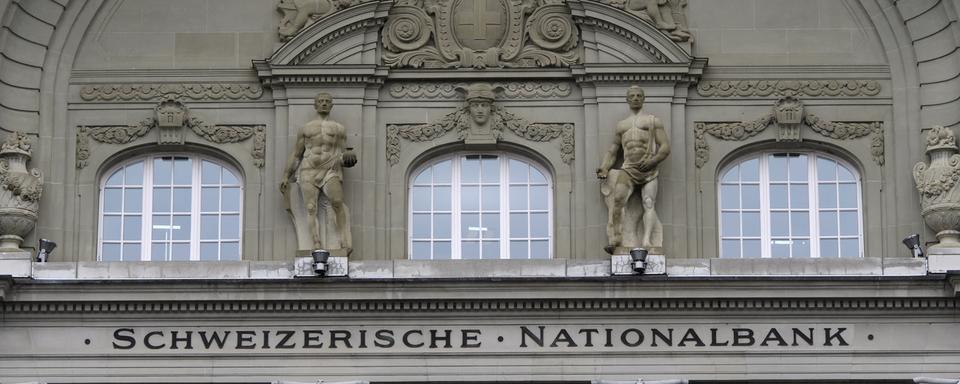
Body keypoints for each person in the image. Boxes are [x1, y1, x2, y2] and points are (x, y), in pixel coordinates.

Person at [597, 86, 671, 254]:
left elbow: (665, 147)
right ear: (627, 99)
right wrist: (604, 167)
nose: (636, 98)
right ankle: (616, 238)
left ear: (643, 98)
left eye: (639, 95)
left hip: (649, 169)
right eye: (632, 96)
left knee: (648, 203)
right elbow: (613, 150)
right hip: (628, 168)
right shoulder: (621, 125)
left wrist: (653, 161)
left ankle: (646, 240)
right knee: (618, 201)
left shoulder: (653, 121)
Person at [280, 92, 357, 252]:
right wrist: (286, 175)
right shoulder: (306, 129)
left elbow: (343, 153)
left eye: (327, 101)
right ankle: (316, 243)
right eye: (320, 101)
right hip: (308, 170)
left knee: (337, 202)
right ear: (315, 105)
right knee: (310, 207)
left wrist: (349, 158)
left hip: (330, 170)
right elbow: (296, 153)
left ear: (331, 105)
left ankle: (344, 239)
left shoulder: (339, 129)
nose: (324, 103)